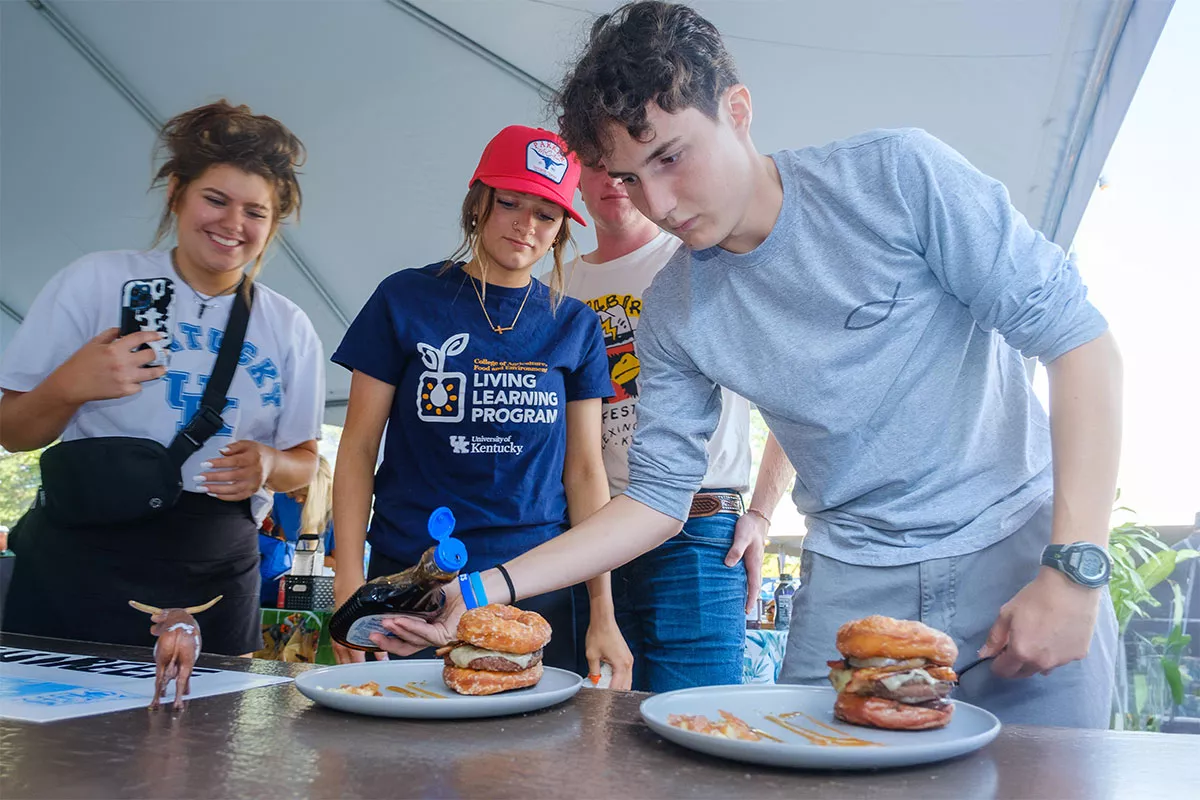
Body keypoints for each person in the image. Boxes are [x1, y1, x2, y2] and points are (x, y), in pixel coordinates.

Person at [382, 2, 1122, 728]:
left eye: (670, 157)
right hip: (853, 573)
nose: (660, 202)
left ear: (737, 110)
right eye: (630, 178)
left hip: (1021, 544)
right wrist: (483, 589)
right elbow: (656, 499)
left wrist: (1074, 566)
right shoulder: (673, 309)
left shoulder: (899, 176)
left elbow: (1079, 341)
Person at [0, 101, 324, 656]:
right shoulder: (95, 282)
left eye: (256, 212)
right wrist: (70, 385)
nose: (232, 224)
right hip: (78, 560)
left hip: (215, 572)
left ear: (273, 225)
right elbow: (12, 431)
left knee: (209, 739)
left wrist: (269, 464)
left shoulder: (288, 326)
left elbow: (305, 462)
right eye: (215, 199)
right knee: (48, 740)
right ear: (177, 192)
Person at [331, 125, 633, 687]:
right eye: (510, 202)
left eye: (546, 213)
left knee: (524, 766)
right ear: (477, 205)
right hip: (409, 585)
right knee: (396, 759)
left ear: (563, 228)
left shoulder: (576, 325)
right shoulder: (404, 299)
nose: (526, 224)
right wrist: (349, 580)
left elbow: (586, 473)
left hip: (533, 590)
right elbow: (357, 449)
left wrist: (602, 611)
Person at [565, 164, 794, 690]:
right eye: (595, 167)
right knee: (597, 744)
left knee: (696, 731)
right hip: (590, 534)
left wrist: (760, 512)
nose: (612, 182)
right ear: (575, 176)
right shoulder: (557, 284)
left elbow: (793, 390)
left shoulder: (702, 260)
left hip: (700, 527)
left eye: (622, 167)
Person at [272, 455, 337, 568]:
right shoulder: (282, 498)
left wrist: (296, 557)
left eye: (304, 495)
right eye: (294, 492)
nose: (298, 499)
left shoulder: (339, 512)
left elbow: (338, 564)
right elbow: (282, 542)